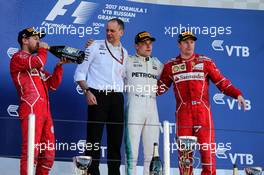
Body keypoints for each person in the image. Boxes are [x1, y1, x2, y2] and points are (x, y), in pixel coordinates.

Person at [157, 31, 247, 175]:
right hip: (183, 115)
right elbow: (159, 88)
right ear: (179, 44)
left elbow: (222, 82)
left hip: (203, 114)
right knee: (185, 158)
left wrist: (237, 94)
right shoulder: (170, 66)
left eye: (192, 42)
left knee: (208, 155)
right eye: (186, 42)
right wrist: (141, 84)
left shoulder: (205, 62)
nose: (189, 45)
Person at [10, 27, 68, 175]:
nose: (39, 42)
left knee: (48, 155)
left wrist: (59, 66)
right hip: (31, 111)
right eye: (35, 39)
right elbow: (38, 60)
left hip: (45, 112)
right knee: (31, 153)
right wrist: (43, 50)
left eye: (39, 40)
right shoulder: (18, 58)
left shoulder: (39, 68)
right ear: (24, 40)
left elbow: (53, 85)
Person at [74, 18, 128, 175]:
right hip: (97, 96)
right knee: (93, 140)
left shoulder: (125, 52)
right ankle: (91, 172)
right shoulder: (94, 46)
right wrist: (87, 91)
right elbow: (80, 73)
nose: (109, 33)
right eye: (107, 30)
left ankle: (114, 173)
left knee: (115, 141)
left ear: (121, 32)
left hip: (117, 98)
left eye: (112, 30)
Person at [124, 31, 163, 175]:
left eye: (150, 43)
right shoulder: (127, 61)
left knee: (152, 153)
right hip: (134, 105)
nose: (148, 46)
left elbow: (171, 74)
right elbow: (110, 69)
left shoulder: (157, 63)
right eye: (144, 43)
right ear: (136, 46)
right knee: (132, 152)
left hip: (152, 107)